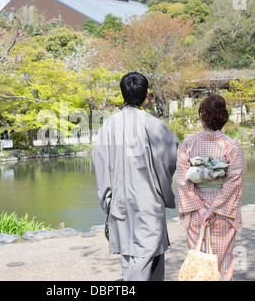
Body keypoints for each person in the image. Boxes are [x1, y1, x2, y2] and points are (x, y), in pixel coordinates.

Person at [92, 72, 179, 281]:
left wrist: (107, 199)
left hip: (120, 202)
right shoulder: (154, 125)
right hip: (148, 201)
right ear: (147, 94)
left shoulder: (109, 126)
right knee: (147, 257)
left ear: (123, 93)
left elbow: (100, 163)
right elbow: (170, 159)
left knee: (131, 257)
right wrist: (163, 192)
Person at [176, 94, 244, 281]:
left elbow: (183, 181)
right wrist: (213, 209)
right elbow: (234, 181)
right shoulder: (231, 146)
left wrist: (201, 208)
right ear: (223, 117)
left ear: (201, 115)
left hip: (197, 213)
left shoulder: (188, 144)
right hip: (222, 214)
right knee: (222, 264)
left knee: (199, 263)